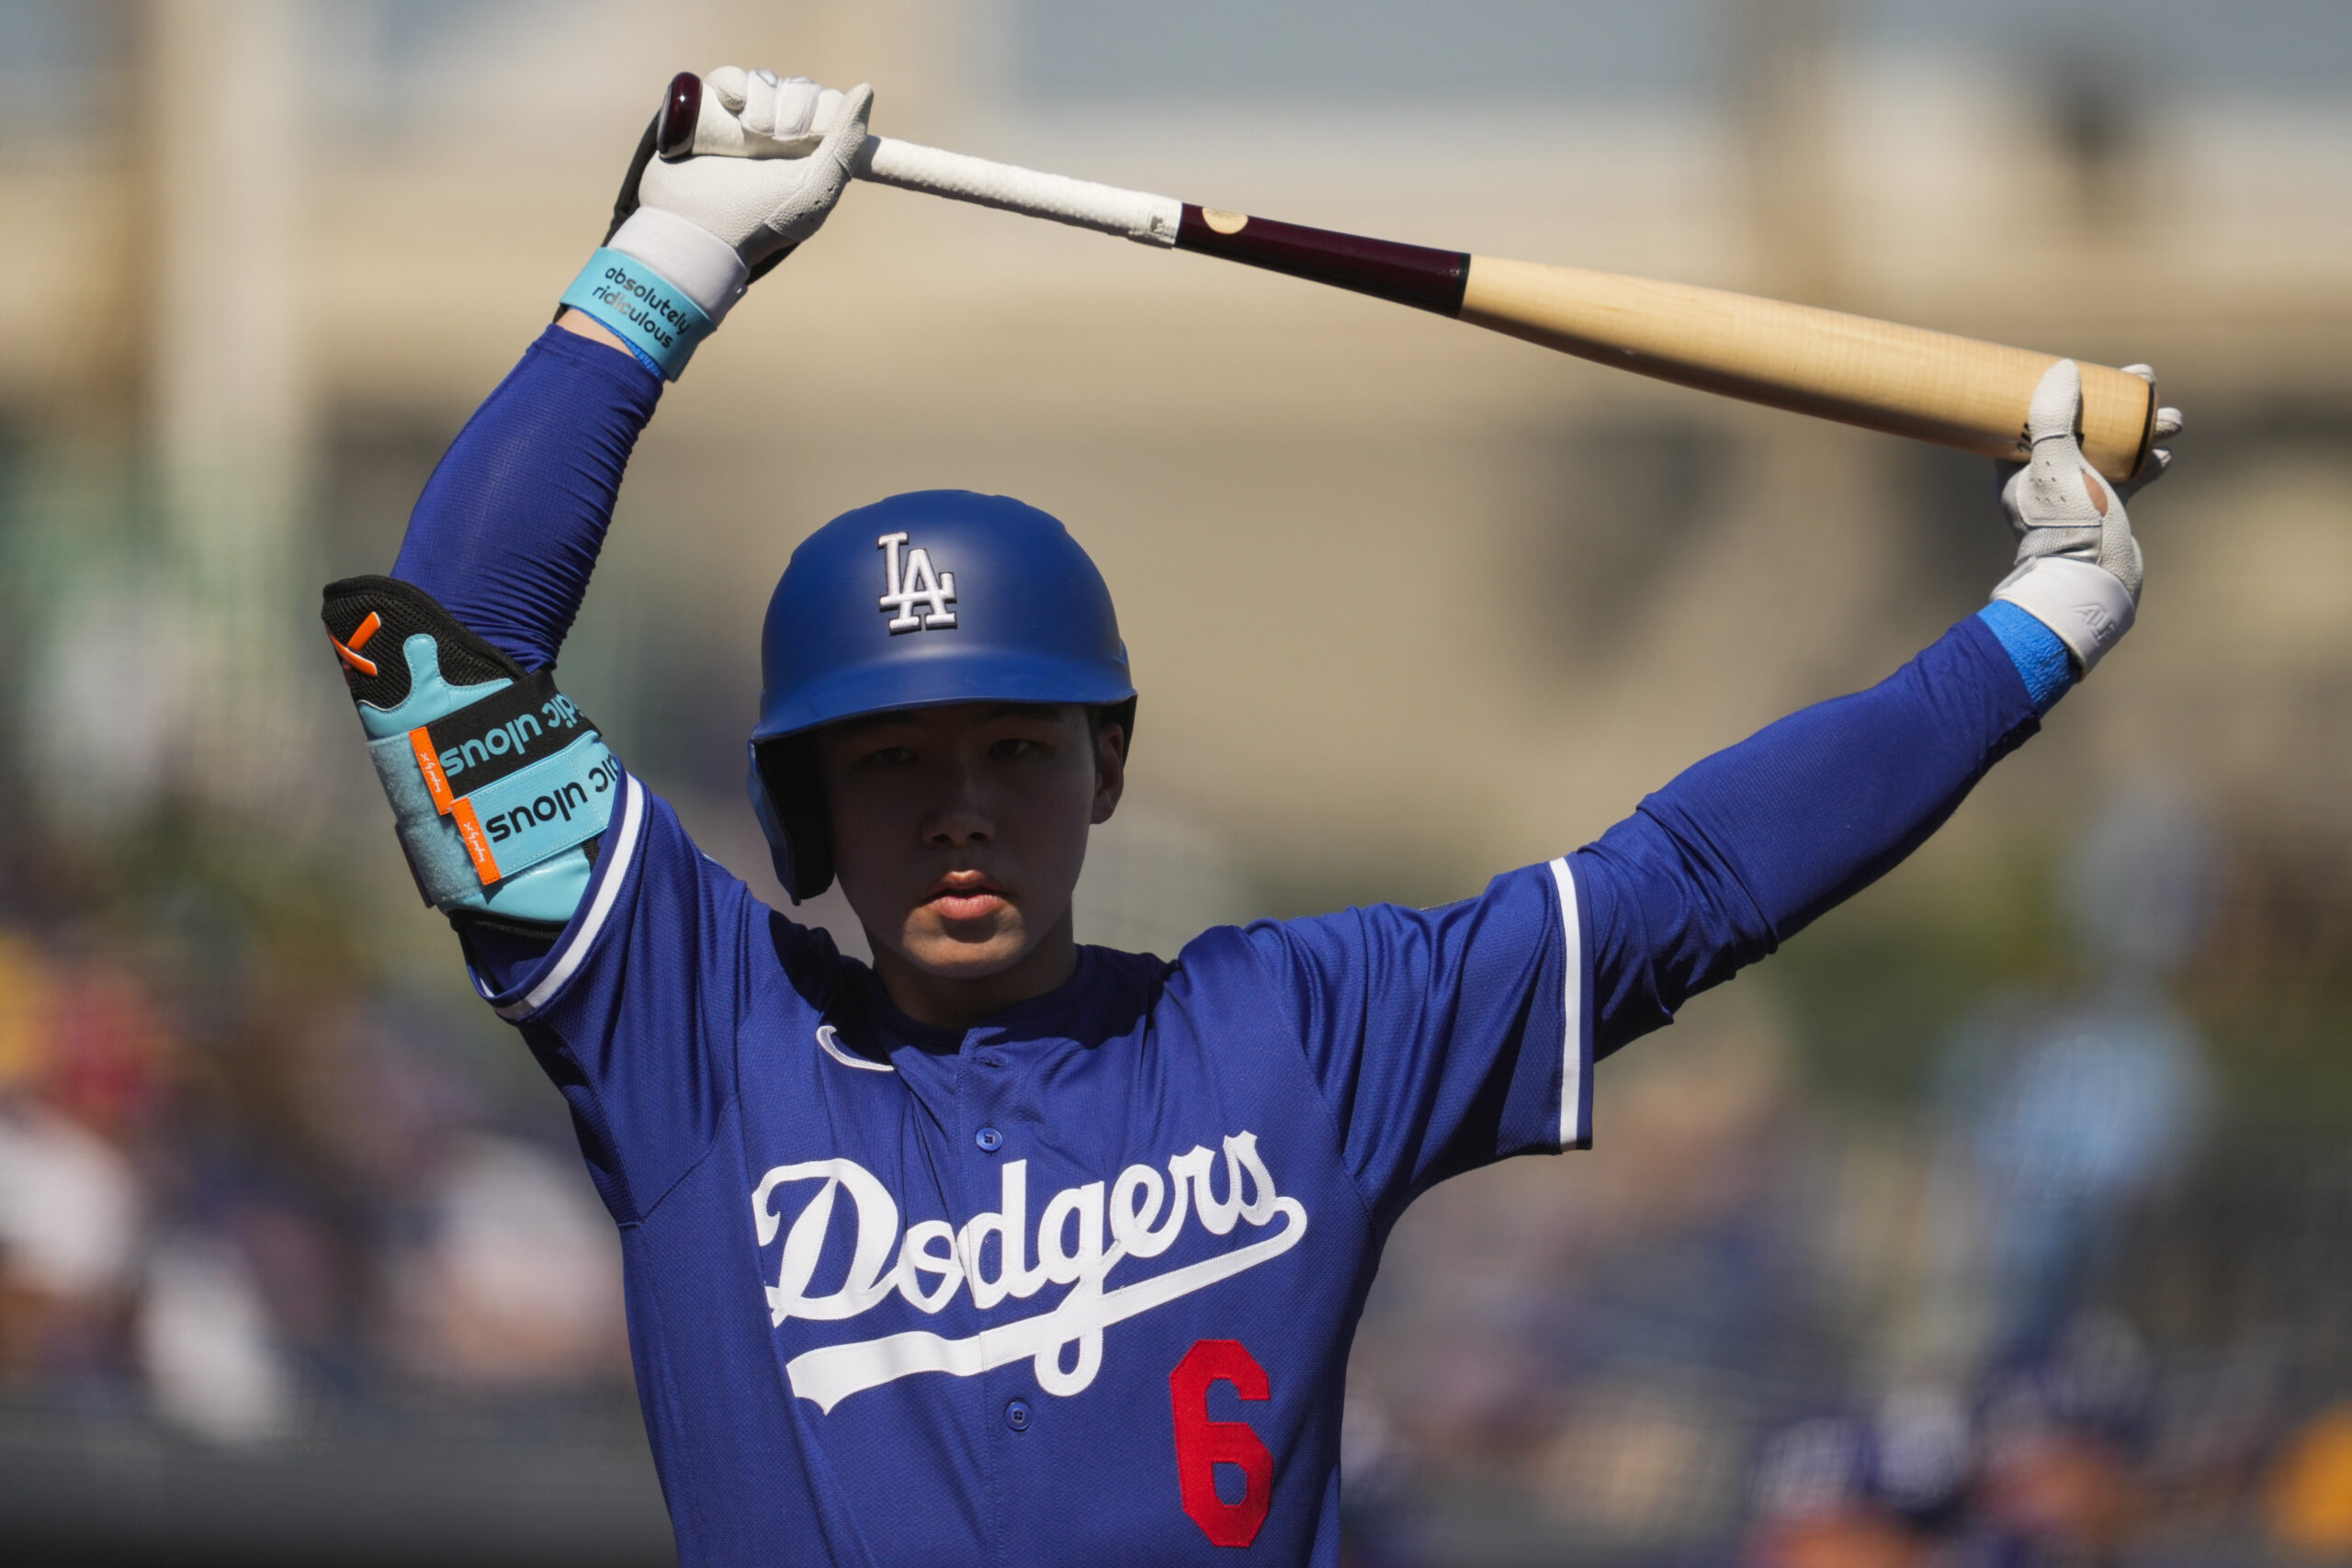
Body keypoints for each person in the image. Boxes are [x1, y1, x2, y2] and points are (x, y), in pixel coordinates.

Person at [321, 67, 2180, 1568]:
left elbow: (1676, 884)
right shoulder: (698, 1038)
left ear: (1102, 774)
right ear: (799, 804)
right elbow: (444, 666)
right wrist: (662, 267)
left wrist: (2019, 637)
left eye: (1013, 752)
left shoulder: (1292, 1034)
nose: (959, 811)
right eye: (889, 762)